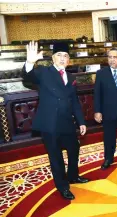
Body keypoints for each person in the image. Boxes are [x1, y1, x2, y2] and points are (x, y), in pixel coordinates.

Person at [21, 41, 89, 200]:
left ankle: (73, 176)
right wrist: (30, 62)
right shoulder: (44, 72)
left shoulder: (71, 76)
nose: (62, 58)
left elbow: (74, 101)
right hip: (50, 124)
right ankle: (63, 186)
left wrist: (81, 122)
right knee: (56, 157)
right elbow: (28, 76)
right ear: (53, 58)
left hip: (67, 122)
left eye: (65, 56)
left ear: (69, 60)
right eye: (59, 55)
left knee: (74, 149)